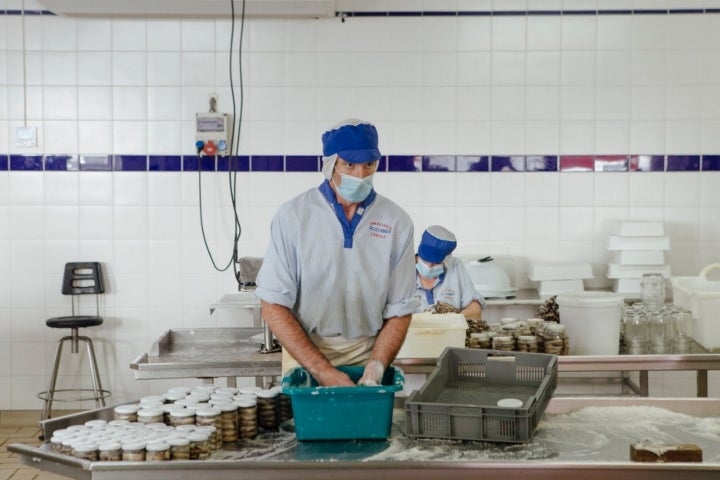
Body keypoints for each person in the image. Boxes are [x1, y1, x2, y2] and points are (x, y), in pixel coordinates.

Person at [255, 119, 419, 387]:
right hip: (304, 358)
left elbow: (400, 308)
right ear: (330, 164)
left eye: (369, 165)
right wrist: (322, 371)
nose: (361, 174)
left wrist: (376, 368)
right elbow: (273, 304)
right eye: (349, 165)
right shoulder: (294, 216)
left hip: (368, 354)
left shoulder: (396, 222)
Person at [413, 225, 484, 321]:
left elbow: (475, 309)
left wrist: (451, 320)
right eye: (425, 259)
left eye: (436, 263)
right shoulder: (401, 270)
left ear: (446, 260)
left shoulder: (455, 266)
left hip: (450, 334)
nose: (429, 267)